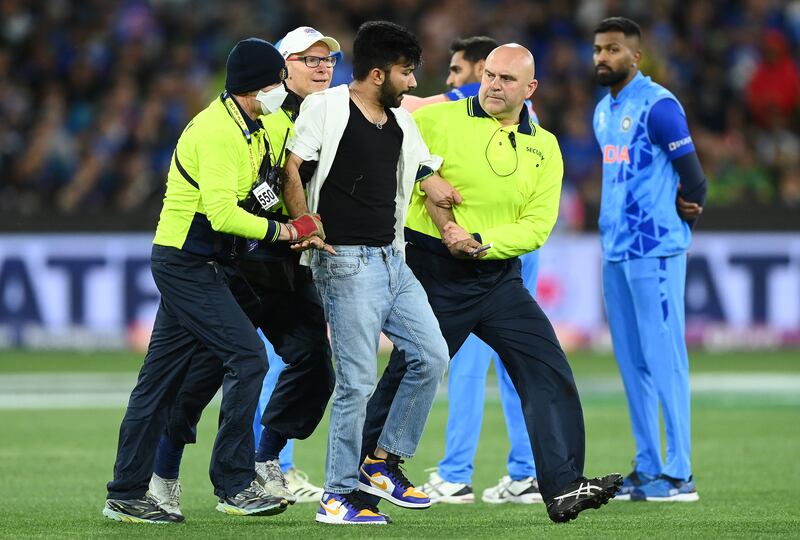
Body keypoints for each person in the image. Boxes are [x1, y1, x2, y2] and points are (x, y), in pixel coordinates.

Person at [361, 43, 623, 524]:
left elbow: (538, 224)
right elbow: (385, 146)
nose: (495, 85)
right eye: (490, 76)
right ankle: (363, 481)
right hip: (436, 269)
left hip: (498, 275)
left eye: (506, 79)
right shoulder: (439, 120)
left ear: (531, 88)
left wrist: (482, 241)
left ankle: (562, 485)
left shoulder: (544, 146)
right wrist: (425, 176)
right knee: (411, 371)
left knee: (547, 368)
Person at [103, 38, 325, 524]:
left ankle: (125, 492)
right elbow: (223, 214)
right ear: (256, 87)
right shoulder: (216, 132)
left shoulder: (258, 122)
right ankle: (234, 484)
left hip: (205, 264)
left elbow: (302, 144)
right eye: (275, 83)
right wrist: (285, 229)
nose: (280, 91)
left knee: (157, 384)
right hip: (188, 262)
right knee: (247, 356)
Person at [283, 21, 451, 525]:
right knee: (356, 383)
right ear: (378, 74)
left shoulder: (401, 120)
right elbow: (293, 167)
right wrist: (305, 225)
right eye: (406, 73)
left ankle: (380, 462)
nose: (413, 83)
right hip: (346, 261)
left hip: (393, 259)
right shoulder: (326, 107)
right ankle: (336, 496)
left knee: (431, 356)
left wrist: (446, 211)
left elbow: (424, 171)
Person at [406, 35, 542, 506]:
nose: (453, 81)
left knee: (462, 362)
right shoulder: (528, 122)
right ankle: (525, 473)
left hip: (477, 250)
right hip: (514, 252)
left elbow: (409, 104)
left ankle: (456, 471)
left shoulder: (477, 105)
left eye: (459, 71)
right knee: (515, 370)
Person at [592, 17, 706, 502]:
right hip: (615, 250)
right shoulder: (602, 110)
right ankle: (648, 468)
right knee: (632, 362)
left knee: (666, 361)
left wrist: (684, 220)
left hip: (654, 250)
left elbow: (695, 179)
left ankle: (681, 474)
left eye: (613, 49)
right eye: (598, 49)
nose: (602, 57)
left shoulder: (658, 107)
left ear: (635, 56)